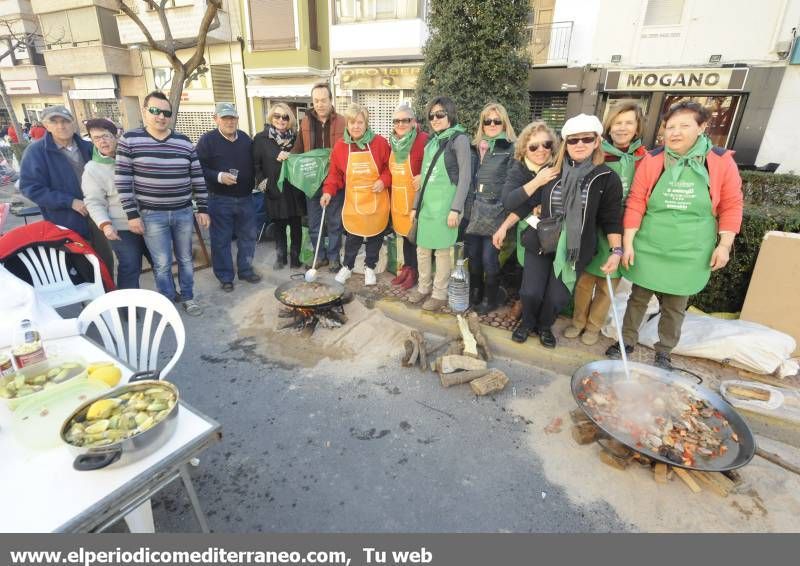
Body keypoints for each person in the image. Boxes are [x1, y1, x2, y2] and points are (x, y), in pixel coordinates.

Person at [606, 101, 743, 368]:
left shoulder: (720, 161)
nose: (675, 132)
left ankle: (664, 350)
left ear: (702, 128)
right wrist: (629, 243)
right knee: (638, 298)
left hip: (690, 247)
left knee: (675, 304)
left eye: (684, 126)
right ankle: (626, 340)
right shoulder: (653, 160)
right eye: (670, 127)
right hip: (651, 242)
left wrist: (724, 245)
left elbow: (731, 204)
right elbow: (636, 202)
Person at [504, 114, 623, 349]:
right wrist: (504, 226)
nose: (579, 145)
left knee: (557, 296)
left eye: (586, 139)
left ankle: (544, 326)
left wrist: (616, 250)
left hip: (574, 247)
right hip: (541, 240)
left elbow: (611, 219)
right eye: (573, 140)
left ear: (597, 141)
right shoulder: (551, 172)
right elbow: (522, 204)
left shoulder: (607, 178)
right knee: (530, 292)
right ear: (565, 143)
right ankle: (527, 323)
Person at [116, 91, 210, 316]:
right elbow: (123, 180)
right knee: (162, 263)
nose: (161, 117)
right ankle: (168, 300)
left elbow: (197, 176)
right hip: (151, 214)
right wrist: (132, 214)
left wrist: (203, 208)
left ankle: (188, 297)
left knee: (186, 259)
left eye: (166, 112)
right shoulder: (130, 140)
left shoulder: (184, 142)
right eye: (155, 111)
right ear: (144, 111)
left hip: (183, 212)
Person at [564, 102, 647, 345]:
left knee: (607, 283)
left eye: (628, 122)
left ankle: (593, 326)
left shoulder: (644, 158)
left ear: (637, 127)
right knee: (584, 281)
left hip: (624, 227)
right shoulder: (596, 154)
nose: (622, 128)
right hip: (593, 227)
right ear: (608, 127)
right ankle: (578, 321)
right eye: (617, 122)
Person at [406, 97, 472, 311]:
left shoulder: (459, 139)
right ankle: (424, 288)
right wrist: (415, 206)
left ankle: (439, 293)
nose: (435, 119)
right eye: (432, 115)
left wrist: (456, 208)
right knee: (423, 251)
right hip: (427, 206)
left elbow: (465, 177)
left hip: (446, 207)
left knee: (443, 253)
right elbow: (423, 178)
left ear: (450, 115)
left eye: (440, 114)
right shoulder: (431, 142)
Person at [321, 103, 391, 286]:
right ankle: (348, 267)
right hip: (354, 201)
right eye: (352, 122)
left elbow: (389, 169)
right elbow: (335, 174)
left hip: (377, 199)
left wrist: (383, 180)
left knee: (375, 235)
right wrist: (328, 191)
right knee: (353, 236)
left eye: (360, 122)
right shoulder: (341, 147)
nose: (356, 126)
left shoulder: (380, 143)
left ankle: (370, 268)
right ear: (347, 124)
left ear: (366, 124)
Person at [196, 103, 260, 292]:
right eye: (225, 118)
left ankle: (246, 270)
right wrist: (219, 176)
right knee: (221, 240)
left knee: (248, 237)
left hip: (246, 198)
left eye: (232, 118)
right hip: (219, 198)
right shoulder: (208, 140)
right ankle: (225, 277)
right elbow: (198, 168)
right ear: (215, 119)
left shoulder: (246, 140)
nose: (230, 122)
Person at [82, 118, 149, 289]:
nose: (102, 141)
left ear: (116, 136)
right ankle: (127, 308)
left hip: (150, 219)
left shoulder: (133, 157)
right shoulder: (92, 169)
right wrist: (105, 225)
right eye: (96, 138)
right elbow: (93, 202)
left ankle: (169, 293)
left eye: (105, 136)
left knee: (160, 261)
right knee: (130, 265)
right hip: (122, 226)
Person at [464, 102, 517, 314]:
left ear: (504, 123)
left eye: (497, 120)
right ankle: (475, 293)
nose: (492, 124)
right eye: (488, 121)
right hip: (473, 211)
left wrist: (502, 210)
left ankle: (490, 297)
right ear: (482, 124)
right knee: (474, 256)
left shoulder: (510, 148)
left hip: (495, 212)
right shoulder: (474, 147)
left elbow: (512, 182)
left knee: (489, 258)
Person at [292, 82, 346, 271]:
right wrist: (289, 157)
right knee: (315, 223)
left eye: (324, 100)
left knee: (334, 222)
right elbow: (299, 147)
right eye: (316, 100)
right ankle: (319, 256)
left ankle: (333, 257)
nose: (320, 104)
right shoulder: (305, 122)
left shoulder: (343, 121)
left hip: (335, 181)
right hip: (312, 182)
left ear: (331, 100)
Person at [19, 107, 94, 239]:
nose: (61, 126)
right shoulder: (36, 152)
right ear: (46, 126)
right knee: (74, 259)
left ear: (73, 123)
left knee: (103, 258)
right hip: (64, 222)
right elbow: (31, 188)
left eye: (65, 121)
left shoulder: (89, 147)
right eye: (54, 122)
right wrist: (70, 202)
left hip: (96, 218)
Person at [493, 120, 559, 269]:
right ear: (524, 149)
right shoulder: (520, 168)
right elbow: (510, 202)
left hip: (559, 233)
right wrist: (537, 181)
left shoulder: (558, 167)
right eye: (534, 147)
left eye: (546, 144)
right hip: (532, 233)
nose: (541, 150)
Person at [253, 103, 306, 269]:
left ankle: (295, 258)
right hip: (274, 189)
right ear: (271, 117)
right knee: (279, 226)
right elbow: (256, 166)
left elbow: (303, 160)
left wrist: (291, 156)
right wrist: (265, 185)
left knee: (296, 225)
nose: (281, 120)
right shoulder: (261, 138)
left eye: (285, 117)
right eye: (277, 116)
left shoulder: (297, 138)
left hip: (294, 189)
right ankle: (281, 257)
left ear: (290, 119)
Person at [388, 104, 429, 290]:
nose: (400, 124)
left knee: (415, 238)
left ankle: (416, 272)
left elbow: (436, 163)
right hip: (397, 198)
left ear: (413, 122)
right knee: (404, 236)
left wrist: (423, 175)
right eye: (396, 121)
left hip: (415, 198)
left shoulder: (424, 140)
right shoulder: (393, 142)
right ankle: (407, 267)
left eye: (404, 120)